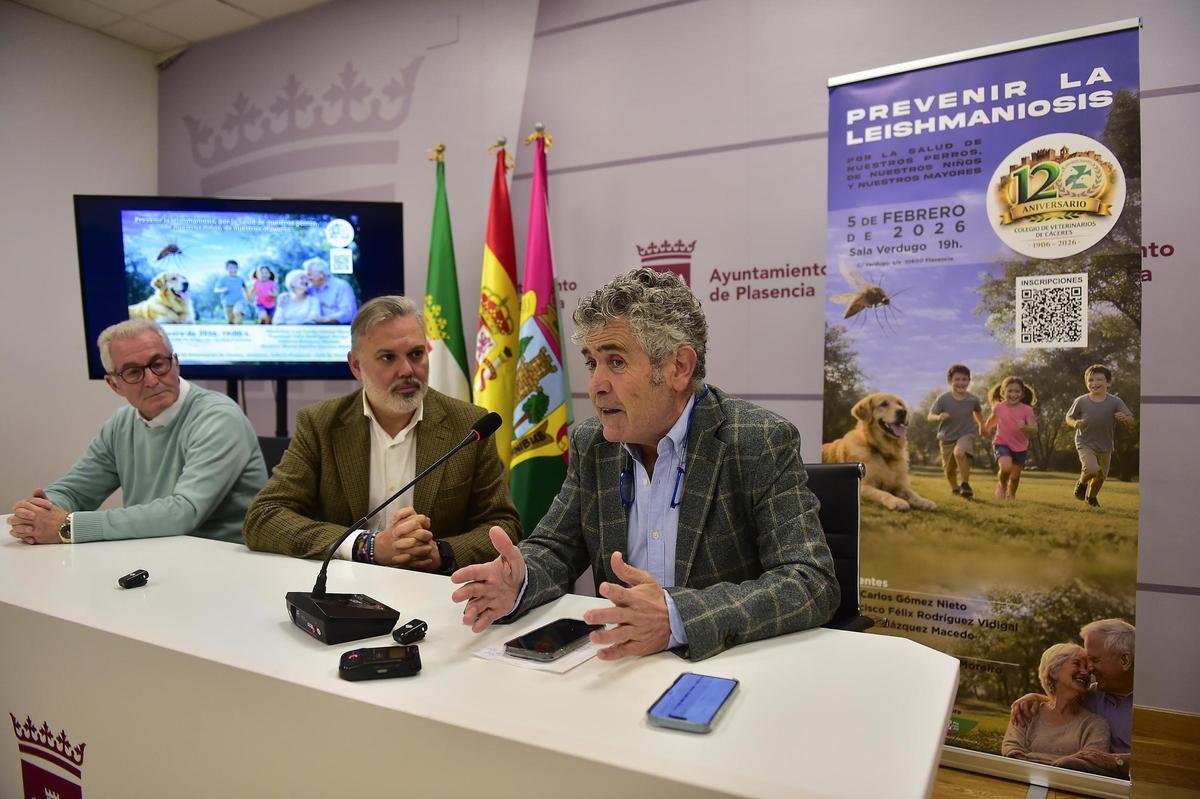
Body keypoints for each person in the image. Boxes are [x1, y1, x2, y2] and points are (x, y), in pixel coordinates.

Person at [450, 268, 839, 662]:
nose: (596, 385)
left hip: (723, 663)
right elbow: (556, 548)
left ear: (678, 368)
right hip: (621, 663)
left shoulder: (758, 441)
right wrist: (520, 580)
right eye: (592, 363)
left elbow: (809, 581)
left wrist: (677, 616)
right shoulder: (593, 444)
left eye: (616, 362)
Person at [243, 296, 520, 572]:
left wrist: (440, 552)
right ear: (356, 366)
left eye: (416, 354)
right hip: (345, 584)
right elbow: (264, 517)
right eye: (388, 358)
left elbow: (504, 525)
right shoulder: (320, 424)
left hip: (434, 587)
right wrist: (366, 546)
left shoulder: (469, 425)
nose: (407, 370)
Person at [7, 319, 267, 545]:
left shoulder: (219, 417)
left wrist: (69, 527)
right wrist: (38, 512)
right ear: (114, 384)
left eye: (158, 364)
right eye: (133, 372)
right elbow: (75, 491)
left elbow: (184, 512)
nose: (152, 380)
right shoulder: (121, 424)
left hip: (222, 562)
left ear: (176, 363)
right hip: (152, 555)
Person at [1011, 619, 1134, 777]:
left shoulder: (1153, 704)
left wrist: (1115, 761)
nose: (1089, 668)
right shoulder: (1093, 694)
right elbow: (1062, 703)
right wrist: (1035, 697)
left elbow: (1162, 759)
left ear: (1124, 660)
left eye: (1095, 660)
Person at [1002, 643, 1111, 772]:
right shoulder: (1027, 710)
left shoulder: (1096, 725)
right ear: (1054, 671)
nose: (1085, 672)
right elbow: (1011, 752)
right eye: (1077, 664)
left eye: (1088, 669)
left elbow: (1090, 765)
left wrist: (1031, 758)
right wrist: (1061, 762)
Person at [1066, 365, 1135, 508]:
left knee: (1101, 476)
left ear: (1108, 383)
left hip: (1105, 445)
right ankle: (1081, 484)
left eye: (1099, 379)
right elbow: (1068, 417)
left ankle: (1091, 498)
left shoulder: (1115, 401)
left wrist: (1125, 418)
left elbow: (1131, 420)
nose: (1094, 383)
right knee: (1092, 469)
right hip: (1085, 442)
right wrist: (1075, 423)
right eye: (1090, 380)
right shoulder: (1081, 400)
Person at [928, 364, 984, 499]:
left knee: (960, 452)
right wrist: (938, 417)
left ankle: (965, 484)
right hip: (947, 437)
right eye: (957, 379)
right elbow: (930, 416)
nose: (961, 382)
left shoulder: (972, 399)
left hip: (966, 433)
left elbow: (978, 411)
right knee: (949, 470)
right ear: (950, 381)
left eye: (965, 379)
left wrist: (981, 424)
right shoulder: (943, 398)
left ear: (969, 381)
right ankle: (955, 489)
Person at [982, 376, 1037, 500]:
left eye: (1017, 391)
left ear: (1022, 394)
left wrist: (1025, 427)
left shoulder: (1027, 410)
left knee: (1015, 477)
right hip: (1002, 443)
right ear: (1003, 393)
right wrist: (986, 428)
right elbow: (992, 419)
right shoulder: (999, 407)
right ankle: (1002, 485)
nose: (1013, 394)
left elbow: (1034, 430)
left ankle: (1011, 495)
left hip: (1020, 447)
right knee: (1005, 467)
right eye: (1010, 391)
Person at [304, 257, 357, 324]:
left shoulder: (341, 286)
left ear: (321, 274)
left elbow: (348, 313)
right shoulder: (309, 288)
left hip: (341, 327)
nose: (307, 278)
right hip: (315, 327)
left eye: (309, 274)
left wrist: (324, 319)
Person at [214, 259, 248, 324]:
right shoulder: (223, 279)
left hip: (239, 301)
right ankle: (237, 323)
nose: (233, 270)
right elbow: (216, 290)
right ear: (227, 269)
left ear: (237, 269)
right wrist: (222, 290)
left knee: (237, 312)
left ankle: (240, 319)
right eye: (231, 268)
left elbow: (245, 287)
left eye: (235, 268)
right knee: (231, 321)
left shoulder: (240, 279)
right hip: (227, 303)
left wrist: (248, 296)